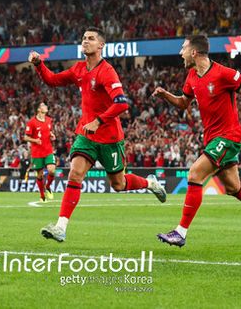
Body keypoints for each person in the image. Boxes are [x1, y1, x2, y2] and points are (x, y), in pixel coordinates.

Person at [29, 27, 166, 242]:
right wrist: (39, 64)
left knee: (118, 184)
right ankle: (61, 227)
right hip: (86, 135)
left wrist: (98, 121)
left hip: (110, 138)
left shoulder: (106, 71)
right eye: (84, 38)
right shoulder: (79, 69)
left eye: (91, 39)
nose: (85, 41)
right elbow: (52, 80)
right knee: (75, 174)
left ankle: (150, 184)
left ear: (101, 45)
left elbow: (122, 103)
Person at [153, 34, 241, 247]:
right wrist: (165, 95)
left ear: (194, 52)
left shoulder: (224, 74)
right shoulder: (191, 76)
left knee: (195, 174)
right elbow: (183, 103)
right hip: (211, 138)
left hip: (228, 136)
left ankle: (180, 232)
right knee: (233, 187)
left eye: (183, 48)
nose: (180, 53)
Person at [23, 102, 57, 202]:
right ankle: (42, 195)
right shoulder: (31, 122)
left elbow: (49, 130)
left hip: (48, 150)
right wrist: (35, 140)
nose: (46, 107)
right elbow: (25, 137)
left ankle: (48, 187)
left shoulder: (49, 120)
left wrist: (52, 135)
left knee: (52, 170)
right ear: (38, 109)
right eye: (43, 106)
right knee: (40, 175)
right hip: (37, 153)